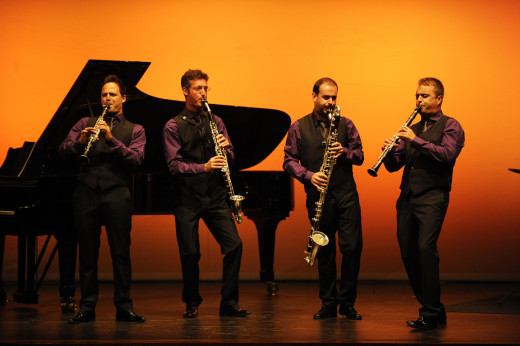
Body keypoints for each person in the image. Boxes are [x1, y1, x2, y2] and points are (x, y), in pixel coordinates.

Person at [59, 75, 146, 324]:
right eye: (104, 95)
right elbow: (63, 151)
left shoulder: (135, 129)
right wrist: (80, 142)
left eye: (112, 95)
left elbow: (136, 160)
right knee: (87, 253)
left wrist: (111, 139)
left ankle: (124, 307)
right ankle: (87, 307)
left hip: (117, 193)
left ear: (123, 98)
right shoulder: (83, 123)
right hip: (86, 192)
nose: (107, 99)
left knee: (120, 253)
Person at [163, 69, 250, 318]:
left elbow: (231, 158)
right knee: (190, 252)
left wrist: (227, 151)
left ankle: (229, 303)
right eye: (198, 88)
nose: (203, 93)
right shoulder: (173, 125)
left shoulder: (216, 121)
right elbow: (173, 165)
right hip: (187, 198)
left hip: (215, 195)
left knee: (234, 246)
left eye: (205, 88)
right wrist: (204, 166)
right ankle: (191, 302)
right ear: (185, 91)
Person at [382, 77, 465, 329]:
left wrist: (414, 140)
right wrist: (389, 152)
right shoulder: (413, 129)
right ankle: (433, 309)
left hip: (433, 197)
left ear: (439, 98)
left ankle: (429, 312)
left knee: (425, 250)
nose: (419, 100)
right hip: (407, 197)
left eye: (425, 96)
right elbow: (394, 166)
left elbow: (447, 155)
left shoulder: (451, 126)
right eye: (417, 95)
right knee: (408, 253)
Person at [283, 77, 364, 320]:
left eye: (334, 98)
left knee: (352, 248)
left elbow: (360, 156)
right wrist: (309, 176)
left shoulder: (346, 124)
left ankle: (347, 303)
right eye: (326, 97)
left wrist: (345, 152)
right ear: (314, 96)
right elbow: (288, 161)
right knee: (325, 251)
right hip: (319, 196)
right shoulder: (298, 127)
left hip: (346, 195)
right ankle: (328, 303)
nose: (330, 102)